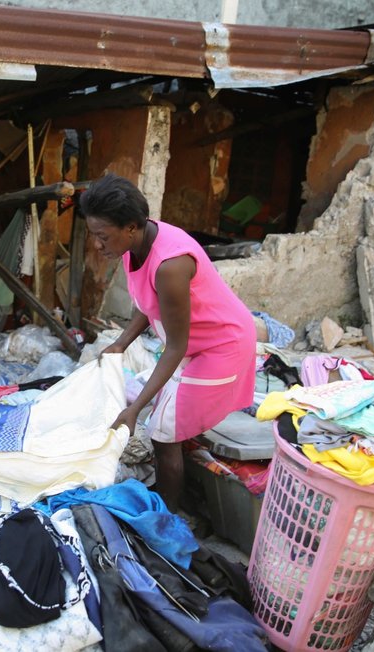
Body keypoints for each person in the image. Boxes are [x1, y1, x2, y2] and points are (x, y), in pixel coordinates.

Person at [80, 173, 256, 511]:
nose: (98, 246)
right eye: (94, 236)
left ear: (130, 226)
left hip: (221, 346)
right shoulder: (135, 244)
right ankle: (179, 496)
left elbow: (175, 347)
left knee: (162, 432)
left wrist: (134, 410)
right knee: (163, 411)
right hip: (192, 344)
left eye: (103, 237)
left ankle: (169, 518)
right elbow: (148, 303)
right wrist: (121, 343)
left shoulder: (171, 265)